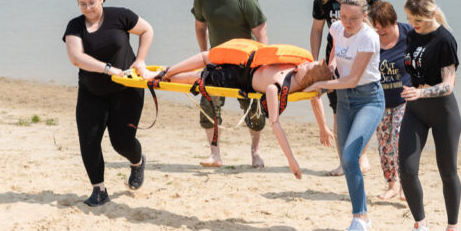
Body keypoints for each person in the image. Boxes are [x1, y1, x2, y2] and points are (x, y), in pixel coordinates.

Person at [142, 47, 334, 179]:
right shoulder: (300, 75)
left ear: (306, 79)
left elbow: (276, 124)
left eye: (307, 66)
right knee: (207, 56)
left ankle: (162, 76)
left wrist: (292, 161)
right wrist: (323, 127)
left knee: (197, 77)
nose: (303, 64)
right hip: (247, 63)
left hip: (237, 77)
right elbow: (314, 97)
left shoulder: (275, 87)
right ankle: (165, 73)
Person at [62, 0, 154, 207]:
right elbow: (76, 57)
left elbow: (147, 30)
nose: (88, 8)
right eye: (82, 4)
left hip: (127, 90)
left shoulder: (120, 15)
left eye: (92, 2)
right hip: (91, 91)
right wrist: (108, 69)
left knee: (121, 142)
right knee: (89, 141)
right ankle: (99, 190)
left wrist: (140, 60)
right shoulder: (75, 26)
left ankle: (136, 162)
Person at [304, 0, 385, 231]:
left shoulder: (369, 37)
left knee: (351, 155)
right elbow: (336, 53)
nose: (347, 22)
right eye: (343, 15)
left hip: (369, 99)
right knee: (347, 160)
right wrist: (327, 69)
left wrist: (320, 86)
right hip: (345, 101)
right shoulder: (337, 28)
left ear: (365, 16)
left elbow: (351, 79)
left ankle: (359, 218)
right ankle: (361, 217)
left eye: (353, 18)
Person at [398, 0, 461, 231]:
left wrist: (421, 91)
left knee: (447, 172)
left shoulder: (445, 40)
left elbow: (448, 85)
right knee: (407, 168)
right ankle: (420, 225)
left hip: (443, 112)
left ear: (432, 13)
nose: (414, 25)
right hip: (416, 111)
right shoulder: (412, 35)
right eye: (410, 19)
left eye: (419, 20)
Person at [192, 0, 268, 168]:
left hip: (246, 64)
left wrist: (262, 64)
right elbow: (200, 26)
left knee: (254, 110)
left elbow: (261, 32)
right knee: (208, 104)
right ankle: (215, 154)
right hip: (218, 63)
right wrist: (204, 54)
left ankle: (256, 152)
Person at [310, 0, 379, 176]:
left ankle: (363, 153)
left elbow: (379, 25)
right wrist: (315, 61)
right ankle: (343, 162)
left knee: (364, 110)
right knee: (338, 110)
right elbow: (316, 29)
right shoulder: (322, 0)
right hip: (336, 58)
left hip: (362, 58)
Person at [371, 0, 412, 200]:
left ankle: (405, 185)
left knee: (398, 140)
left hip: (404, 99)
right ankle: (392, 185)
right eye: (376, 29)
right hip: (380, 101)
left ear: (394, 21)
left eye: (384, 27)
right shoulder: (372, 39)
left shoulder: (409, 34)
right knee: (384, 143)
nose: (381, 32)